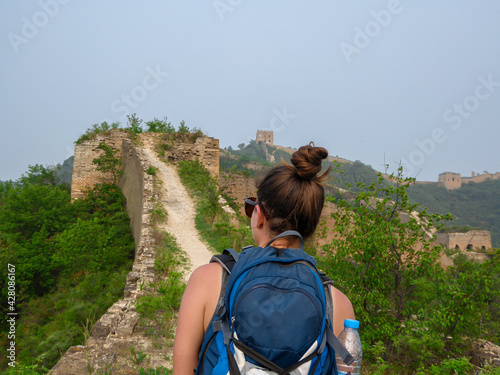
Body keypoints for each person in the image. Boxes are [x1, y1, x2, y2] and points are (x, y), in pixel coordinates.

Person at [172, 143, 355, 375]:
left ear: (259, 216)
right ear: (312, 228)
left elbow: (182, 371)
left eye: (251, 208)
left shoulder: (208, 281)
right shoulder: (337, 304)